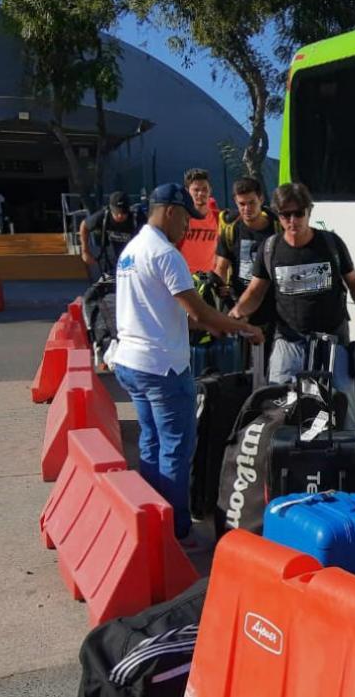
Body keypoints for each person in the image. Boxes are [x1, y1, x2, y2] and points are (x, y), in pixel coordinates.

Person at [111, 183, 264, 542]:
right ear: (171, 212)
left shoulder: (131, 251)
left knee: (151, 443)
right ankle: (177, 532)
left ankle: (152, 522)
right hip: (162, 367)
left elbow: (167, 313)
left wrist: (212, 325)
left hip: (131, 362)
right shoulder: (166, 254)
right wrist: (244, 328)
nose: (187, 228)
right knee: (176, 449)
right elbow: (199, 311)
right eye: (185, 220)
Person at [229, 183, 355, 430]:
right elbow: (255, 291)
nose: (292, 221)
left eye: (298, 213)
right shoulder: (270, 248)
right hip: (289, 340)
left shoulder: (330, 244)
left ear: (309, 211)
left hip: (332, 339)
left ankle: (352, 449)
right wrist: (237, 312)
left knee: (343, 397)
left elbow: (353, 281)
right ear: (278, 216)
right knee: (276, 400)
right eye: (285, 215)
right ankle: (279, 449)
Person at [214, 177, 278, 370]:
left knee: (270, 365)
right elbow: (221, 267)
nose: (247, 209)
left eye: (251, 203)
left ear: (261, 199)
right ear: (235, 202)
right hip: (240, 306)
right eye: (242, 204)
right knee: (240, 366)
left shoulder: (277, 228)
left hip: (272, 306)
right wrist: (220, 287)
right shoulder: (231, 230)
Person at [80, 191, 138, 277]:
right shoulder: (104, 216)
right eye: (116, 212)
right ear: (111, 209)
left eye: (123, 212)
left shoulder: (136, 218)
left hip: (133, 264)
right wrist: (85, 251)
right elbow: (84, 225)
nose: (120, 216)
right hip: (110, 265)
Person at [177, 168, 220, 273]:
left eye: (204, 189)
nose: (200, 193)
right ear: (187, 192)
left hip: (209, 277)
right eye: (196, 190)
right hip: (185, 276)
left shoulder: (217, 216)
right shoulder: (181, 217)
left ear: (210, 190)